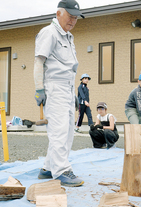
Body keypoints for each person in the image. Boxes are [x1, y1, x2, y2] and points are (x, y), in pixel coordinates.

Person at [33, 0, 84, 187]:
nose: (73, 20)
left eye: (76, 17)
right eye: (70, 16)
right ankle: (61, 171)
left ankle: (47, 168)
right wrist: (39, 88)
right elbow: (39, 62)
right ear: (58, 14)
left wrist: (74, 92)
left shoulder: (68, 36)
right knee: (59, 131)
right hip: (54, 88)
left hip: (68, 88)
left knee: (68, 130)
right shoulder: (49, 32)